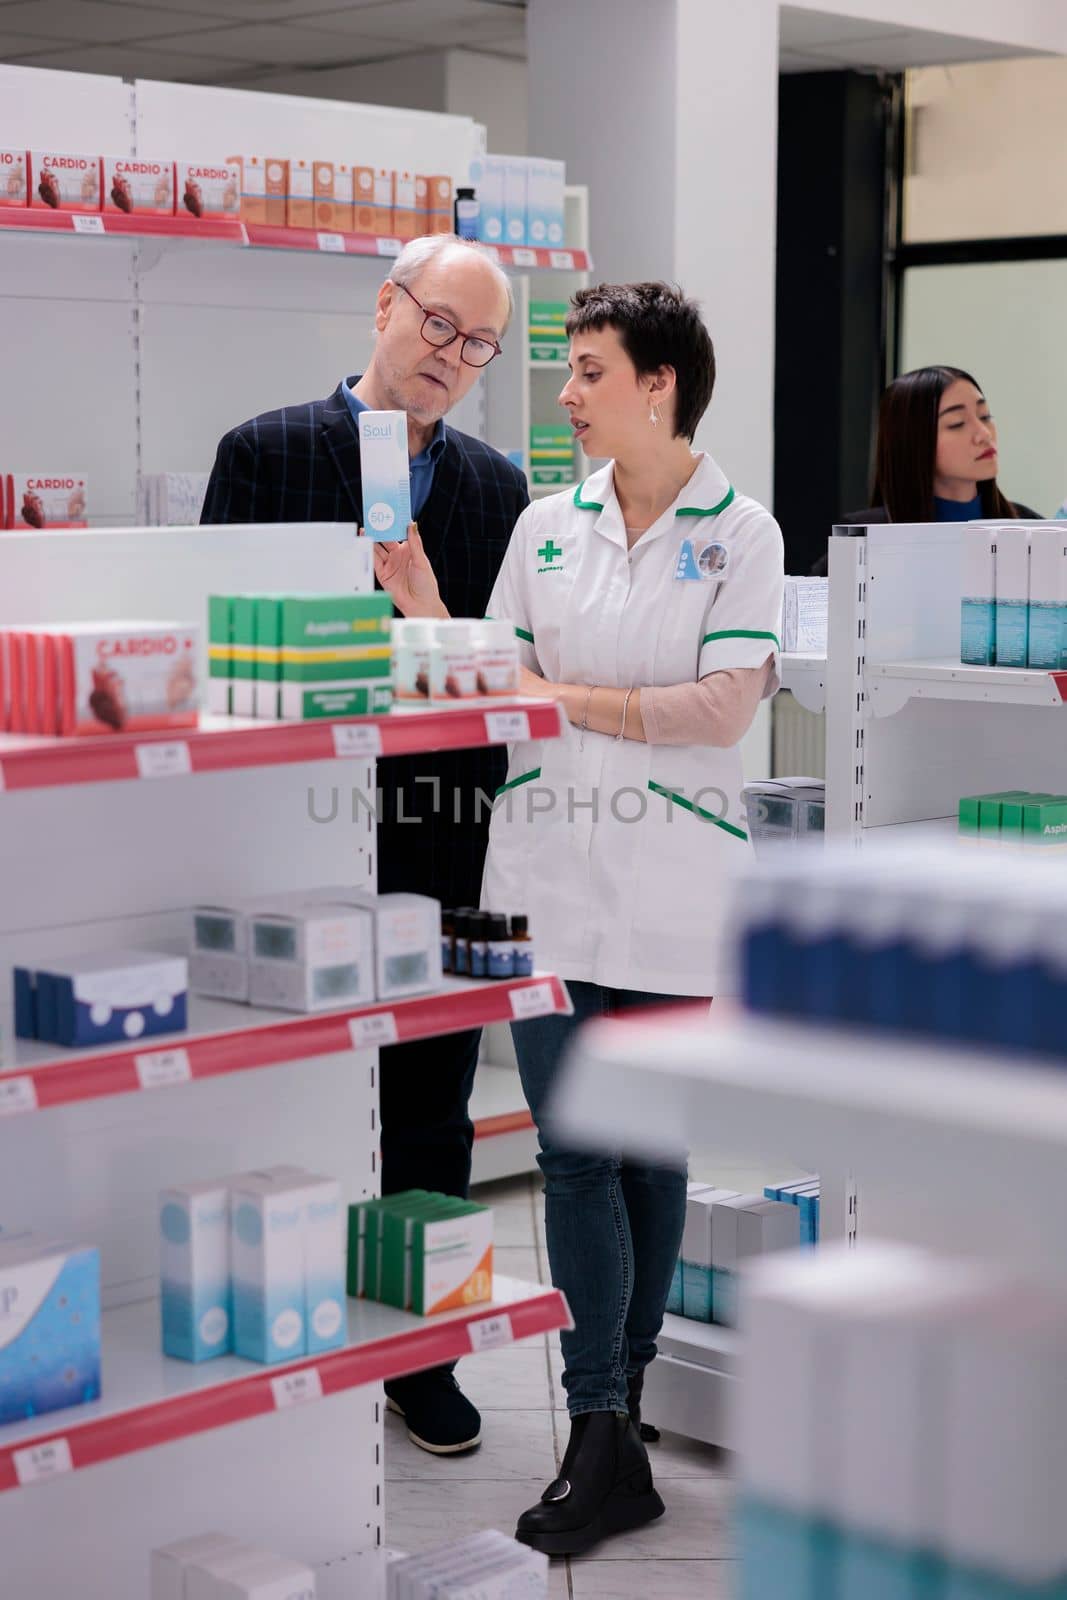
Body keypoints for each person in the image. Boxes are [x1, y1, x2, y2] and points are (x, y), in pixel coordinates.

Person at [374, 281, 784, 1555]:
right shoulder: (547, 525)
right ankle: (598, 1421)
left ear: (657, 383)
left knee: (647, 1153)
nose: (563, 393)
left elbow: (723, 709)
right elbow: (499, 678)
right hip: (548, 877)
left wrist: (566, 692)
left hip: (671, 886)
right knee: (574, 1150)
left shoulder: (741, 531)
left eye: (587, 370)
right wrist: (427, 605)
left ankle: (619, 1424)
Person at [202, 235, 527, 1457]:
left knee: (430, 1099)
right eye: (439, 325)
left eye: (479, 343)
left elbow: (500, 681)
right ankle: (279, 1319)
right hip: (288, 825)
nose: (453, 357)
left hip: (440, 831)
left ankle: (419, 1351)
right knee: (282, 1085)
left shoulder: (498, 488)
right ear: (385, 304)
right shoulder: (268, 450)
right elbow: (222, 650)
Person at [831, 364, 1039, 539]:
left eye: (985, 416)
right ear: (913, 442)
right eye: (957, 424)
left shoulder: (1033, 528)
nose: (984, 434)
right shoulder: (863, 536)